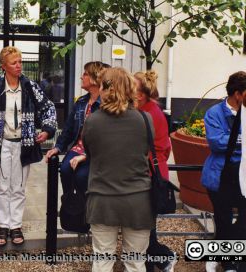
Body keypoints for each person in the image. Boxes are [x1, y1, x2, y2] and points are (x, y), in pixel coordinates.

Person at [83, 67, 155, 272]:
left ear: (104, 89)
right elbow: (146, 150)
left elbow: (90, 153)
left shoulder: (92, 121)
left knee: (103, 259)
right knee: (135, 261)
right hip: (138, 200)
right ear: (130, 88)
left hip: (102, 199)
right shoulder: (145, 119)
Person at [0, 46, 57, 246]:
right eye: (14, 63)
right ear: (4, 66)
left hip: (24, 144)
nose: (19, 66)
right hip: (1, 144)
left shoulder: (29, 86)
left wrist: (48, 129)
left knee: (19, 187)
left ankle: (15, 225)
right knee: (1, 187)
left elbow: (48, 107)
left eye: (20, 62)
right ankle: (2, 225)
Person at [202, 71, 246, 272]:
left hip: (243, 175)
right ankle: (228, 263)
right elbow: (217, 143)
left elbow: (226, 140)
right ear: (238, 94)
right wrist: (241, 140)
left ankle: (221, 253)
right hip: (220, 175)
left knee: (241, 219)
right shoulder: (215, 113)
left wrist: (233, 140)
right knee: (223, 218)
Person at [45, 61, 110, 194]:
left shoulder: (106, 104)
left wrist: (87, 155)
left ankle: (85, 209)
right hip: (78, 148)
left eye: (85, 74)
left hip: (96, 151)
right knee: (65, 170)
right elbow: (68, 128)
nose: (81, 77)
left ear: (95, 78)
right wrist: (58, 147)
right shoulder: (81, 101)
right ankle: (70, 206)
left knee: (82, 177)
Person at [134, 71, 176, 272]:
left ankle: (164, 258)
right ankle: (154, 261)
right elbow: (166, 147)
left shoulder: (146, 113)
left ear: (140, 94)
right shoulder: (152, 110)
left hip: (149, 174)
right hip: (154, 171)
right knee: (146, 226)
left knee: (145, 227)